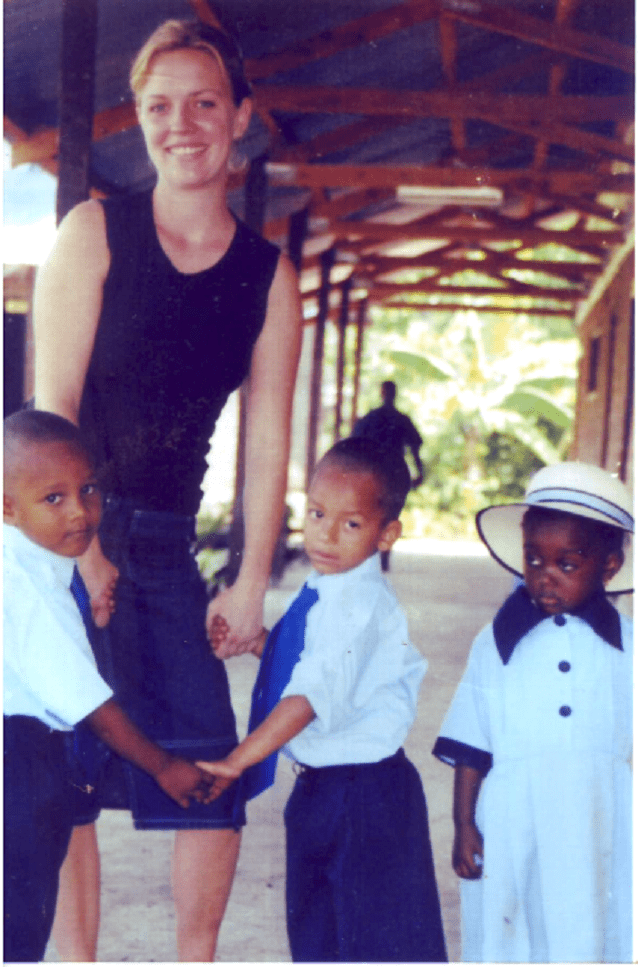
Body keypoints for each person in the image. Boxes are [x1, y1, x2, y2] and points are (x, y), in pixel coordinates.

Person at [32, 17, 302, 962]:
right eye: (158, 107)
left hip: (168, 550)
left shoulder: (268, 278)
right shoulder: (93, 232)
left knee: (209, 766)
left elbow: (268, 447)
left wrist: (249, 578)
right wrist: (86, 547)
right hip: (64, 540)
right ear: (138, 122)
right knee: (62, 765)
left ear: (240, 120)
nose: (181, 124)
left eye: (203, 103)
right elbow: (48, 416)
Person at [199, 438, 448, 963]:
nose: (326, 534)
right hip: (325, 791)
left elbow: (311, 695)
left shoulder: (356, 602)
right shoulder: (328, 587)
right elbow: (319, 666)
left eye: (350, 523)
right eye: (316, 513)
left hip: (363, 796)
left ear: (387, 535)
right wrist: (258, 643)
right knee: (320, 935)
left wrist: (237, 760)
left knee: (371, 940)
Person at [3, 410, 216, 963]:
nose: (79, 510)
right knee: (19, 930)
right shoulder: (27, 586)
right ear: (7, 507)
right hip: (18, 764)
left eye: (88, 489)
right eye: (54, 498)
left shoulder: (26, 560)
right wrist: (163, 765)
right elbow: (88, 701)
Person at [432, 462, 633, 963]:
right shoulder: (495, 642)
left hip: (598, 812)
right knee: (509, 928)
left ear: (608, 566)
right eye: (534, 559)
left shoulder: (627, 645)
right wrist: (463, 826)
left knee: (590, 923)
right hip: (511, 815)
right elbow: (471, 742)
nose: (546, 577)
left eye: (567, 564)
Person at [352, 380, 424, 569]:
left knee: (371, 512)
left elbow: (354, 446)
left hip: (376, 472)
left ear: (381, 393)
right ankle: (382, 554)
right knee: (390, 513)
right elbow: (414, 449)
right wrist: (420, 472)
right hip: (393, 472)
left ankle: (375, 553)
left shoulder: (370, 419)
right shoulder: (401, 419)